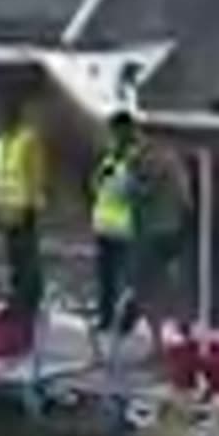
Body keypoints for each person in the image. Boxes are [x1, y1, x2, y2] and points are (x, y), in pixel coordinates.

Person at [133, 133, 192, 359]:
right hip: (173, 228)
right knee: (174, 282)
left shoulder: (148, 161)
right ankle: (183, 328)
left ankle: (157, 343)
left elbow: (140, 192)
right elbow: (187, 200)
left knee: (148, 288)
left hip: (152, 230)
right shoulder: (176, 162)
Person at [0, 98, 46, 317]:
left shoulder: (28, 140)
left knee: (27, 257)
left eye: (10, 115)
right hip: (6, 211)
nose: (6, 120)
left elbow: (37, 175)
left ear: (17, 117)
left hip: (24, 209)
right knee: (14, 259)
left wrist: (33, 206)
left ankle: (32, 300)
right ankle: (18, 298)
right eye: (4, 116)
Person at [91, 111, 142, 336]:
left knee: (127, 278)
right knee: (105, 277)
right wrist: (100, 178)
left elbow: (138, 192)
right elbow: (96, 187)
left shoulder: (136, 159)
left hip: (126, 229)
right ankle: (105, 318)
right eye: (112, 132)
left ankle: (127, 321)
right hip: (103, 226)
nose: (114, 137)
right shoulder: (110, 158)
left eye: (118, 131)